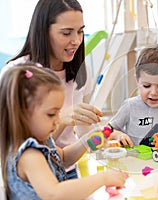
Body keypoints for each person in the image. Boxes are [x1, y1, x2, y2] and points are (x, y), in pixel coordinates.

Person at [2, 0, 102, 179]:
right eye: (66, 33)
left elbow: (82, 129)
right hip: (32, 176)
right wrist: (61, 120)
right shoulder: (16, 73)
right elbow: (16, 145)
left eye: (80, 31)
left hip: (67, 168)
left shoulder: (78, 69)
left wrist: (103, 136)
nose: (77, 41)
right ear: (43, 32)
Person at [0, 63, 126, 200]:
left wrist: (87, 141)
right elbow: (54, 194)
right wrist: (103, 178)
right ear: (22, 115)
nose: (58, 119)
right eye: (51, 114)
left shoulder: (43, 140)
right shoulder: (29, 155)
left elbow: (64, 158)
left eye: (58, 112)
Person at [108, 44, 158, 147]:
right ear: (137, 81)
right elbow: (108, 130)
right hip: (134, 160)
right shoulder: (130, 105)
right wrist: (118, 135)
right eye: (146, 86)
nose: (154, 92)